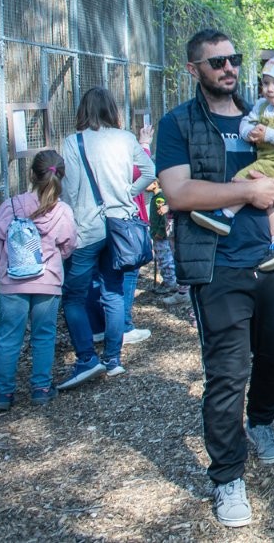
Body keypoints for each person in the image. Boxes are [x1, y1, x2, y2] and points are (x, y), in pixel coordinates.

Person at [155, 29, 274, 528]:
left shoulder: (264, 114)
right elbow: (177, 193)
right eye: (216, 62)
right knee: (227, 373)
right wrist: (247, 193)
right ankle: (227, 477)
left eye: (233, 59)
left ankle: (261, 422)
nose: (228, 68)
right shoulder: (178, 123)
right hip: (217, 265)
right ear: (194, 70)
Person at [59, 87, 155, 389]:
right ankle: (113, 359)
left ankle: (86, 358)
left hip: (87, 227)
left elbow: (70, 189)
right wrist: (128, 192)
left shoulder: (73, 142)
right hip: (120, 225)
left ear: (83, 110)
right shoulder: (126, 138)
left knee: (74, 295)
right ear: (111, 109)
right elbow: (149, 171)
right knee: (113, 291)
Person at [190, 54, 274, 272]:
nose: (269, 89)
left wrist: (268, 135)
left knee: (242, 179)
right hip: (268, 159)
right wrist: (249, 133)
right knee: (271, 202)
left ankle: (225, 216)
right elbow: (247, 121)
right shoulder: (262, 105)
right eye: (266, 83)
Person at [0, 150, 76, 410]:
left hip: (12, 282)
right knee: (44, 335)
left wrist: (0, 264)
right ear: (61, 177)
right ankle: (41, 388)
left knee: (8, 337)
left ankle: (3, 394)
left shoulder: (11, 206)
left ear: (31, 175)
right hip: (47, 280)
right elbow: (68, 244)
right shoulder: (62, 211)